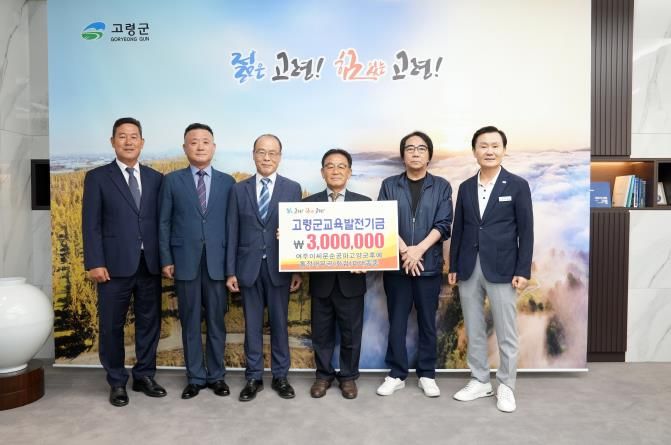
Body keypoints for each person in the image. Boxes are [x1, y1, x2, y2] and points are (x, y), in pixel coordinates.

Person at [449, 126, 534, 413]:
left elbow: (526, 231)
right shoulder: (465, 187)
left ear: (504, 150)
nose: (489, 151)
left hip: (503, 268)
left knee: (506, 331)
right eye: (483, 146)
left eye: (495, 146)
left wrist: (523, 269)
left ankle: (506, 385)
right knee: (474, 327)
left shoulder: (518, 185)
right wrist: (453, 264)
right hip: (468, 267)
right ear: (474, 151)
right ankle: (480, 381)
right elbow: (459, 229)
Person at [82, 117, 166, 407]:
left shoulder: (156, 179)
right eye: (122, 136)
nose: (128, 142)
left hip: (149, 264)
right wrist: (95, 262)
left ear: (142, 142)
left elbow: (162, 223)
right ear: (112, 141)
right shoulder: (97, 178)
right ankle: (117, 381)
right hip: (112, 266)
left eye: (134, 136)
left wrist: (165, 259)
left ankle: (144, 376)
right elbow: (90, 224)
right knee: (111, 326)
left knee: (149, 323)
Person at [158, 123, 235, 400]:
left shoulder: (228, 182)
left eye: (205, 141)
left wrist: (231, 266)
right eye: (194, 142)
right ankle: (195, 377)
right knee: (189, 322)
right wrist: (166, 258)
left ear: (214, 147)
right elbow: (164, 223)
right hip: (184, 262)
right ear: (185, 148)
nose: (200, 146)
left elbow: (232, 226)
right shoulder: (172, 181)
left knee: (216, 322)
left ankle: (216, 376)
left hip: (217, 263)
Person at [226, 134, 302, 402]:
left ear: (280, 156)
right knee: (252, 326)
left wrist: (297, 269)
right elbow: (232, 231)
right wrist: (230, 271)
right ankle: (253, 377)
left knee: (280, 325)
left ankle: (281, 376)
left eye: (272, 153)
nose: (266, 157)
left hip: (280, 267)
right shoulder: (238, 189)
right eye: (261, 152)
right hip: (247, 268)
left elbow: (299, 230)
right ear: (253, 155)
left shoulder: (292, 188)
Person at [376, 131, 452, 397]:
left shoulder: (441, 186)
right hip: (397, 266)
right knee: (396, 321)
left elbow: (444, 224)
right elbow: (382, 220)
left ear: (429, 155)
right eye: (410, 148)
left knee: (427, 322)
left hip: (428, 266)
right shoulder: (389, 185)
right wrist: (405, 251)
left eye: (421, 148)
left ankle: (427, 374)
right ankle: (396, 374)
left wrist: (417, 250)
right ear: (403, 155)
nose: (416, 153)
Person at [302, 148, 371, 399]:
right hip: (321, 282)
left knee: (351, 334)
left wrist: (368, 260)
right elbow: (300, 241)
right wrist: (287, 235)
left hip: (351, 281)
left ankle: (349, 377)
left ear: (349, 172)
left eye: (341, 166)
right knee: (321, 334)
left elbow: (374, 242)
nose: (335, 170)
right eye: (330, 166)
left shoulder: (365, 204)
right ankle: (323, 376)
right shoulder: (307, 205)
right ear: (322, 172)